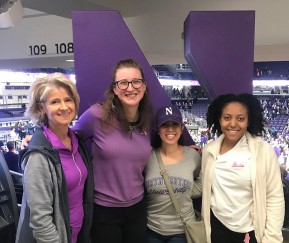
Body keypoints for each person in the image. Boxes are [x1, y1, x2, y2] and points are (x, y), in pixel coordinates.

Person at [73, 59, 153, 243]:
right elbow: (67, 138)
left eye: (136, 81)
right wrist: (42, 138)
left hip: (137, 209)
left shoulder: (147, 122)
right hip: (105, 212)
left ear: (144, 86)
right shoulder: (96, 115)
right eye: (123, 83)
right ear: (115, 89)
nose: (130, 88)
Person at [15, 73, 94, 243]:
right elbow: (41, 222)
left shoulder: (77, 143)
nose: (64, 107)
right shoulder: (38, 156)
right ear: (42, 108)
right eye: (55, 102)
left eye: (68, 99)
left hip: (78, 234)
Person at [201, 93, 284, 243]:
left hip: (250, 230)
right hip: (217, 228)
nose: (233, 124)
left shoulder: (263, 151)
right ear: (219, 120)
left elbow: (274, 197)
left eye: (240, 118)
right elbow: (204, 186)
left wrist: (272, 238)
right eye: (227, 118)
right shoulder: (209, 151)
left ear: (248, 121)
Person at [145, 105, 201, 243]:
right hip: (152, 229)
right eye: (165, 125)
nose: (170, 129)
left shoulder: (193, 155)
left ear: (182, 128)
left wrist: (185, 191)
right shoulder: (147, 157)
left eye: (174, 124)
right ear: (157, 130)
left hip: (182, 230)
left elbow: (203, 181)